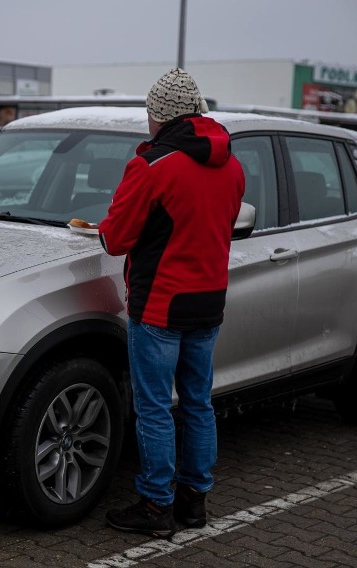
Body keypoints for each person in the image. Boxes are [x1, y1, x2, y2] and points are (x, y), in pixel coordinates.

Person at [98, 68, 245, 538]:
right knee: (199, 403)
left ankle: (156, 507)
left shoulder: (152, 166)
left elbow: (116, 239)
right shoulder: (233, 165)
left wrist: (102, 227)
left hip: (161, 305)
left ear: (158, 116)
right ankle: (193, 501)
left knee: (155, 407)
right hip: (209, 303)